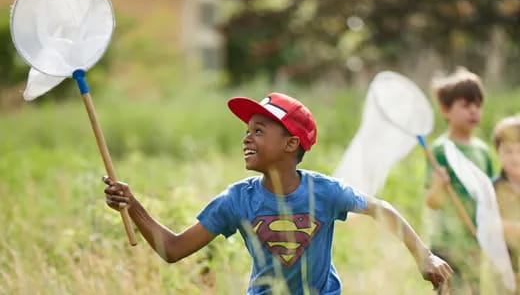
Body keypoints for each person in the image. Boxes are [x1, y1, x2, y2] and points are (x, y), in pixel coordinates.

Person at [104, 92, 453, 294]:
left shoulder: (324, 193)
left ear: (290, 143)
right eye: (246, 130)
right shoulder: (237, 200)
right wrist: (133, 205)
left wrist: (425, 257)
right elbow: (174, 249)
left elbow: (381, 209)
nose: (246, 138)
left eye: (258, 130)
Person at [425, 67, 494, 294]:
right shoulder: (441, 149)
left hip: (474, 241)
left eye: (477, 105)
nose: (473, 111)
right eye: (466, 105)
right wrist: (438, 183)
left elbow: (490, 196)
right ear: (446, 109)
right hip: (447, 243)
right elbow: (432, 201)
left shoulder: (483, 151)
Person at [492, 115, 520, 294]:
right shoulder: (493, 188)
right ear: (498, 152)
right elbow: (490, 223)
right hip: (506, 265)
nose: (515, 157)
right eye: (508, 151)